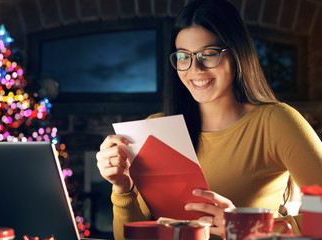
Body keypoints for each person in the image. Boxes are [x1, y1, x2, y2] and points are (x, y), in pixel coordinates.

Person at [96, 0, 322, 239]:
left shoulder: (275, 122)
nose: (196, 69)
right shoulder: (154, 130)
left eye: (209, 54)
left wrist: (244, 225)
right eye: (184, 56)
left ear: (237, 54)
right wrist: (123, 188)